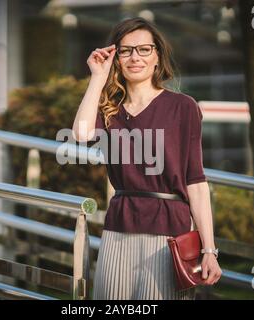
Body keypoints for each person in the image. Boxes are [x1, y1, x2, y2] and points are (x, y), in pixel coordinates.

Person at [72, 17, 222, 300]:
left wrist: (209, 250)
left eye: (143, 49)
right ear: (116, 58)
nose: (135, 57)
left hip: (169, 231)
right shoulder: (110, 111)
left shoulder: (183, 107)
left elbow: (196, 182)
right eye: (126, 50)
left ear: (157, 56)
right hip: (119, 224)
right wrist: (97, 77)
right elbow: (80, 134)